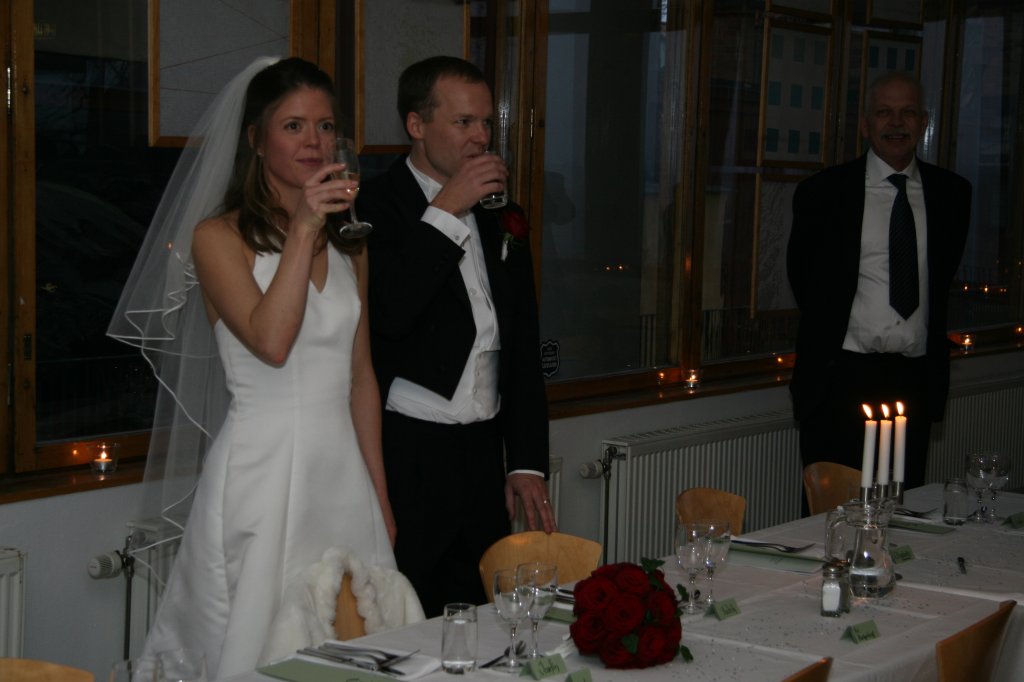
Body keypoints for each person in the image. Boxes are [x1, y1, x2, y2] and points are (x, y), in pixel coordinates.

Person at [108, 57, 397, 678]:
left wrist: (379, 494)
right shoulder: (217, 237)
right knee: (253, 638)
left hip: (342, 473)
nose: (314, 141)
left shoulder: (352, 244)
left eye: (325, 126)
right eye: (293, 126)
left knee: (356, 637)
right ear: (256, 141)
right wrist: (303, 228)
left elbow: (361, 377)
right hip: (262, 470)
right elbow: (271, 342)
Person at [356, 55, 554, 616]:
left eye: (486, 122)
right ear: (416, 125)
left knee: (487, 617)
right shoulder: (370, 207)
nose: (481, 137)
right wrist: (446, 209)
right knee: (405, 618)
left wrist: (525, 461)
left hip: (483, 456)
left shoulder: (503, 215)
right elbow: (389, 315)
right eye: (463, 122)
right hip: (407, 455)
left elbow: (521, 345)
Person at [787, 72, 971, 490]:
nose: (896, 123)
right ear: (865, 124)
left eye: (908, 112)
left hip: (913, 382)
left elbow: (940, 278)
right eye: (884, 112)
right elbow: (804, 281)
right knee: (833, 513)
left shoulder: (953, 194)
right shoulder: (822, 192)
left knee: (901, 507)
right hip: (838, 379)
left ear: (924, 123)